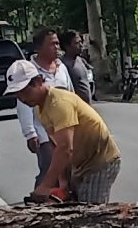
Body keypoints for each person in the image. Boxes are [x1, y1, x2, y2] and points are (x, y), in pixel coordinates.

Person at [17, 73, 123, 203]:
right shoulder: (40, 109)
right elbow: (56, 145)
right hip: (80, 164)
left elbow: (66, 148)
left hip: (99, 161)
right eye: (18, 94)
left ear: (39, 81)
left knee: (90, 214)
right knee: (73, 208)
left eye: (24, 91)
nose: (22, 98)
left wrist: (46, 185)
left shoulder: (59, 103)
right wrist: (63, 181)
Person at [9, 30, 75, 184]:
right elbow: (23, 103)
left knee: (68, 170)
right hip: (44, 133)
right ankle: (41, 199)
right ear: (39, 48)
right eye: (52, 44)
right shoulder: (28, 71)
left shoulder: (62, 68)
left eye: (58, 43)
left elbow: (72, 95)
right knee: (49, 169)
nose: (57, 47)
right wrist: (30, 133)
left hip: (65, 128)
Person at [60, 30, 97, 101]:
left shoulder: (81, 60)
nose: (81, 45)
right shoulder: (62, 64)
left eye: (81, 42)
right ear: (67, 46)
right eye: (77, 43)